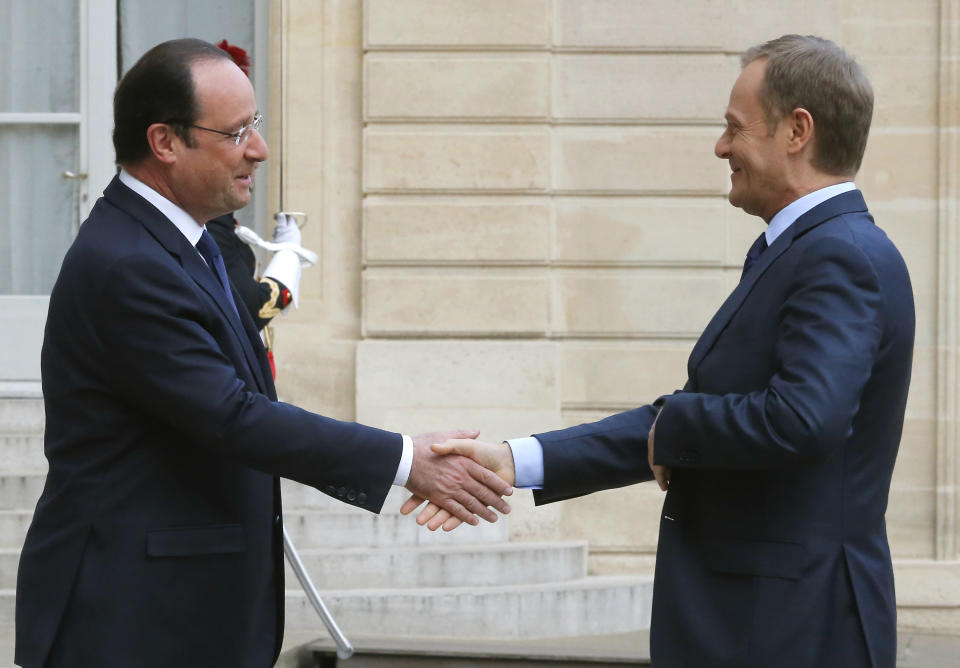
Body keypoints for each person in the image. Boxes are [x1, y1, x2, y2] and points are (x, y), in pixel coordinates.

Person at [406, 35, 914, 668]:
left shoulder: (839, 256)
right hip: (764, 622)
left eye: (734, 127)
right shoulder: (807, 252)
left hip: (787, 628)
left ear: (796, 131)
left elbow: (801, 418)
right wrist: (514, 461)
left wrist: (675, 428)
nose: (721, 146)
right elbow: (696, 417)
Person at [14, 39, 511, 668]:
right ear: (165, 142)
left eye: (257, 124)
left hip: (178, 611)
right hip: (132, 619)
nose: (259, 149)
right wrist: (406, 460)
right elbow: (233, 416)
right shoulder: (128, 263)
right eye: (235, 132)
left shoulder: (185, 241)